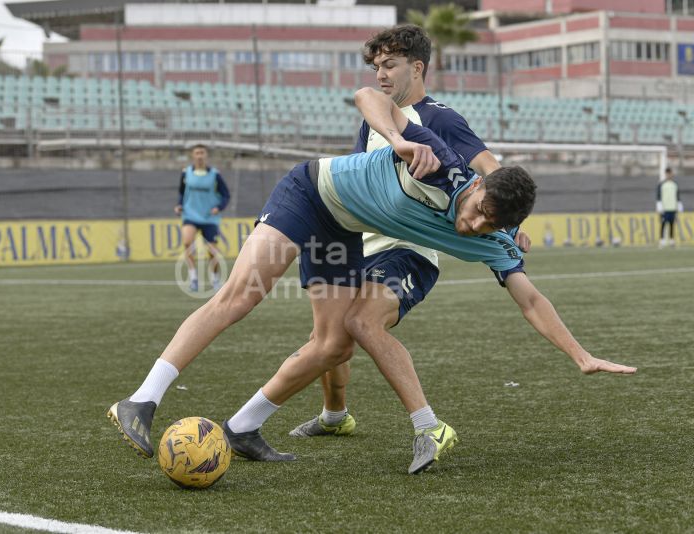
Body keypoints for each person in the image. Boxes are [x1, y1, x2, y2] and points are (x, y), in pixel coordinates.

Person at [107, 87, 635, 468]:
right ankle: (143, 400)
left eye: (487, 224)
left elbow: (531, 300)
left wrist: (580, 355)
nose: (471, 224)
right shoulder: (441, 161)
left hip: (345, 229)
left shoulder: (492, 239)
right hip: (309, 192)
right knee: (240, 296)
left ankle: (242, 428)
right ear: (475, 185)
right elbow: (367, 95)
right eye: (476, 209)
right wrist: (397, 139)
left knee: (335, 343)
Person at [288, 24, 528, 444]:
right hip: (360, 233)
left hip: (406, 244)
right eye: (377, 66)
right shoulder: (379, 116)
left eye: (390, 65)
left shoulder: (441, 118)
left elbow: (494, 171)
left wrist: (511, 225)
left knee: (353, 327)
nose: (380, 74)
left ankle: (420, 424)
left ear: (417, 68)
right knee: (324, 338)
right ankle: (334, 415)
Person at [174, 144, 231, 291]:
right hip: (190, 214)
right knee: (187, 242)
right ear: (193, 155)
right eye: (197, 153)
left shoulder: (215, 174)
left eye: (202, 152)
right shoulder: (186, 173)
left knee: (213, 252)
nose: (199, 155)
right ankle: (193, 276)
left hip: (209, 217)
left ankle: (214, 278)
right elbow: (182, 192)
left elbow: (226, 195)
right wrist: (179, 205)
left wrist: (219, 207)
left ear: (206, 155)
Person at [657, 166, 683, 248]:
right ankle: (662, 241)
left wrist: (679, 205)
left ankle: (672, 241)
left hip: (673, 208)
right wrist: (659, 206)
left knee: (672, 224)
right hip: (665, 208)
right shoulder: (661, 184)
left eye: (670, 173)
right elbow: (659, 196)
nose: (669, 175)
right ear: (666, 174)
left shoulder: (675, 185)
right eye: (668, 173)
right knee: (663, 224)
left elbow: (677, 196)